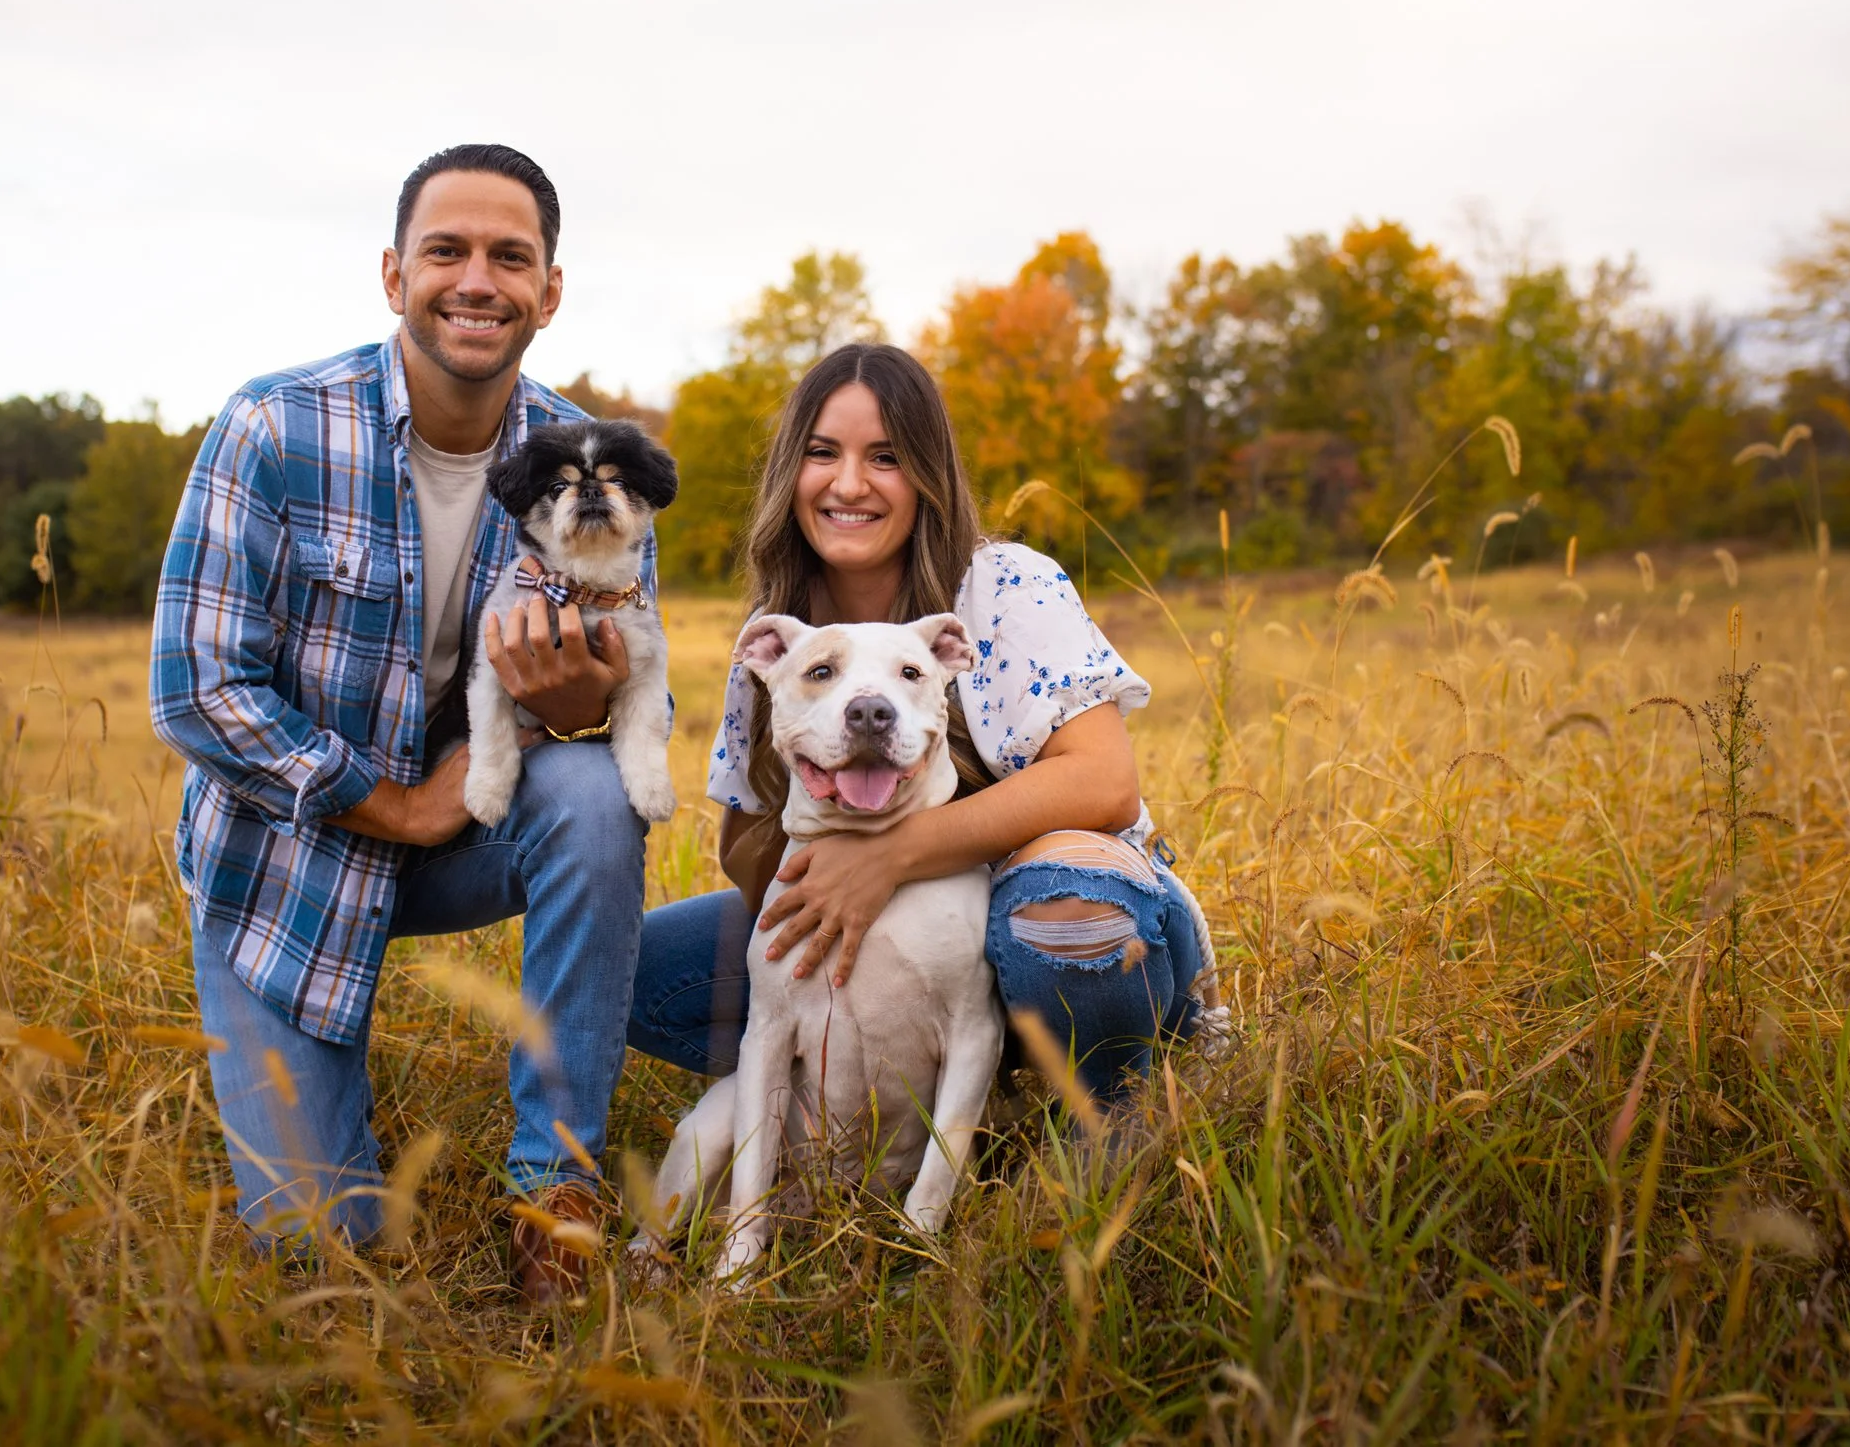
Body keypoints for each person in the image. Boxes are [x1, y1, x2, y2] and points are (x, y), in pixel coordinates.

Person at [150, 144, 652, 1303]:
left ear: (550, 290)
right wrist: (397, 803)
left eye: (509, 256)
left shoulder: (591, 465)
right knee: (323, 1258)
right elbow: (194, 684)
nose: (476, 279)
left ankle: (555, 1194)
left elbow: (613, 695)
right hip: (286, 860)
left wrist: (570, 695)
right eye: (447, 250)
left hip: (468, 827)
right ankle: (326, 1121)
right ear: (393, 274)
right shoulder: (274, 426)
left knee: (591, 794)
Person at [627, 341, 1223, 1110]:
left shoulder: (1006, 584)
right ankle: (897, 1098)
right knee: (643, 974)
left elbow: (1104, 780)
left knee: (1062, 907)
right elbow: (742, 843)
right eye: (821, 453)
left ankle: (1108, 1105)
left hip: (1081, 917)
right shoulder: (785, 631)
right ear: (790, 473)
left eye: (885, 456)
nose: (849, 483)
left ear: (927, 474)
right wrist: (836, 821)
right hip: (901, 944)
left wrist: (894, 854)